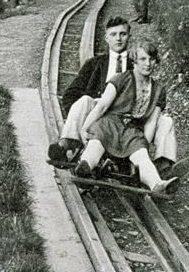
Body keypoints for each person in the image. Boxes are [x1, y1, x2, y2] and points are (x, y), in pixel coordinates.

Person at [48, 16, 177, 175]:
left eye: (123, 34)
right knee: (85, 100)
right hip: (102, 115)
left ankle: (162, 165)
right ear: (106, 37)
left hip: (132, 120)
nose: (118, 38)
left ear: (129, 36)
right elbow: (70, 95)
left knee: (166, 120)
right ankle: (67, 144)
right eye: (113, 34)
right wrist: (87, 115)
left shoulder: (138, 63)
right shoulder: (94, 64)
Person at [74, 42, 178, 195]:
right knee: (96, 144)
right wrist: (84, 128)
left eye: (152, 59)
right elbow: (102, 106)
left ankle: (157, 184)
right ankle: (85, 167)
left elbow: (152, 121)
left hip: (132, 130)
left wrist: (144, 144)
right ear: (134, 61)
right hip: (110, 123)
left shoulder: (158, 90)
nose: (148, 64)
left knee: (141, 156)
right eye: (143, 59)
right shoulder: (121, 79)